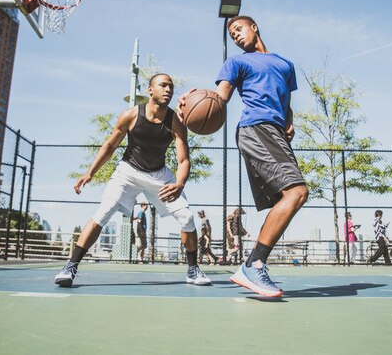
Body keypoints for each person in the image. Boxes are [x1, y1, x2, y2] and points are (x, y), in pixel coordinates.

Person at [178, 15, 309, 297]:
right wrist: (189, 101)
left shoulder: (286, 65)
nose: (236, 36)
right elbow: (218, 98)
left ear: (255, 27)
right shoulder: (237, 63)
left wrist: (289, 120)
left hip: (274, 131)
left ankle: (254, 265)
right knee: (297, 192)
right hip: (256, 128)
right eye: (232, 34)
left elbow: (286, 99)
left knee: (287, 200)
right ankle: (254, 265)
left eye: (239, 29)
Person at [54, 73, 211, 287]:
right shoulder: (130, 115)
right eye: (163, 85)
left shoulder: (175, 121)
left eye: (171, 87)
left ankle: (193, 270)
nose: (168, 90)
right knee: (103, 212)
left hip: (159, 174)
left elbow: (183, 160)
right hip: (128, 171)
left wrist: (179, 183)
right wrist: (90, 172)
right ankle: (70, 267)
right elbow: (110, 145)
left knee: (187, 217)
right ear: (150, 90)